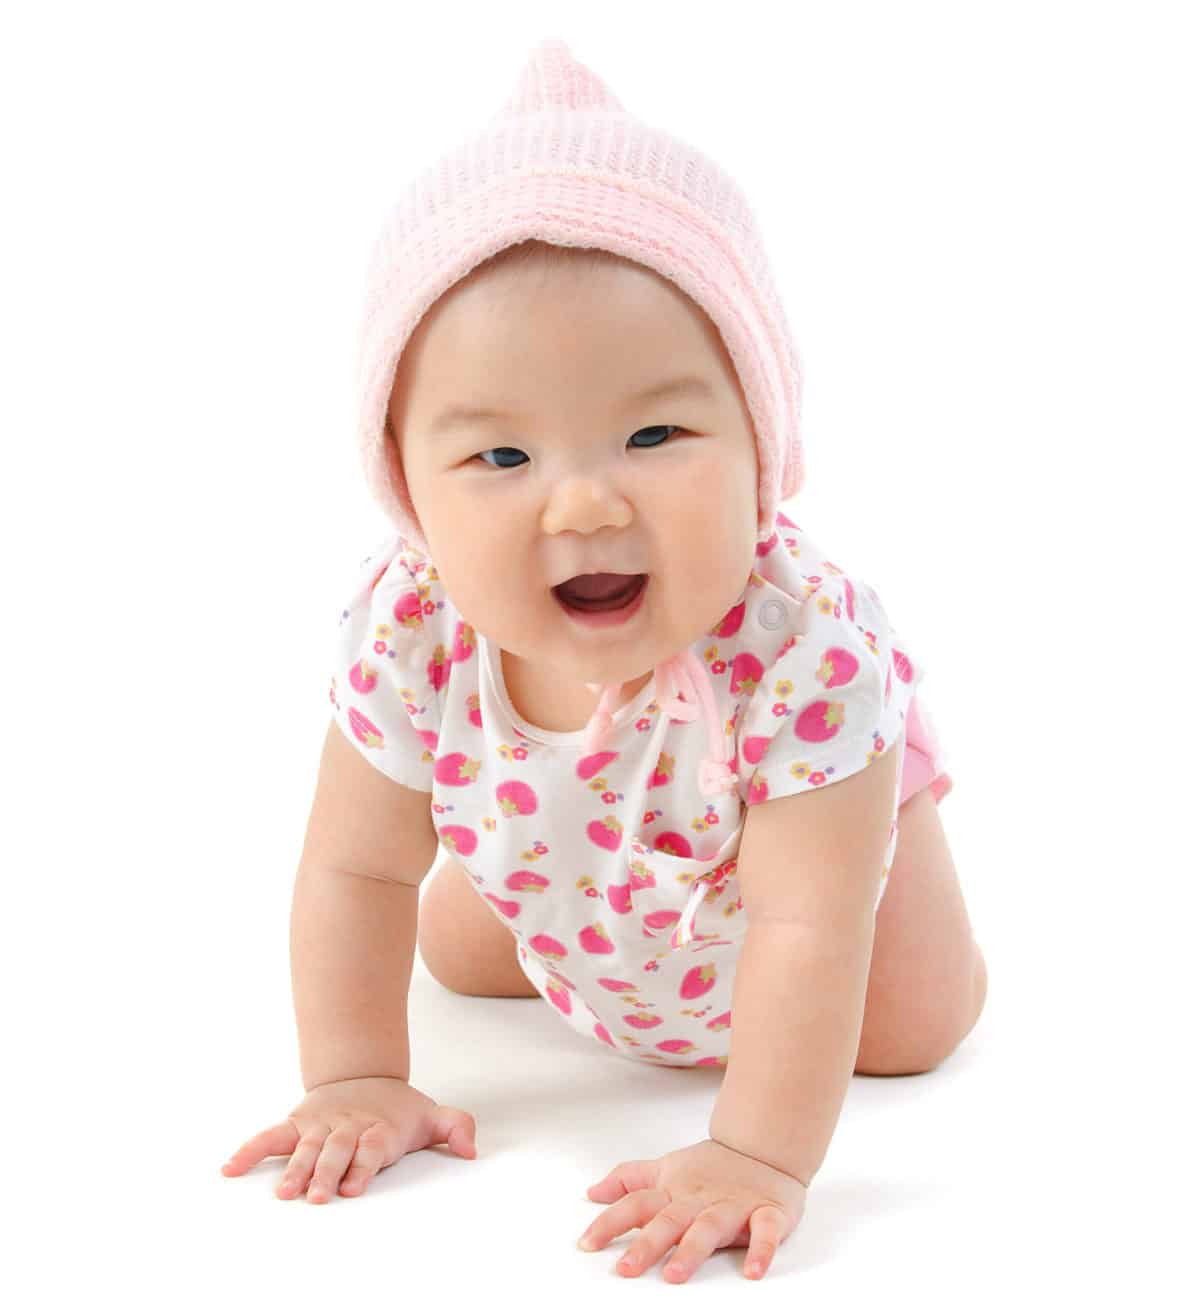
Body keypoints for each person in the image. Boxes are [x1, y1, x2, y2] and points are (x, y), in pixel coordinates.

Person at [222, 38, 985, 1283]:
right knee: (459, 952)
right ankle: (577, 885)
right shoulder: (411, 630)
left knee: (909, 1023)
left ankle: (884, 804)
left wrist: (753, 1153)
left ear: (761, 440)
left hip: (791, 889)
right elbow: (355, 868)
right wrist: (356, 1076)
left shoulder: (800, 654)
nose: (580, 503)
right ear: (406, 487)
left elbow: (801, 928)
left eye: (654, 432)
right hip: (596, 877)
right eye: (499, 459)